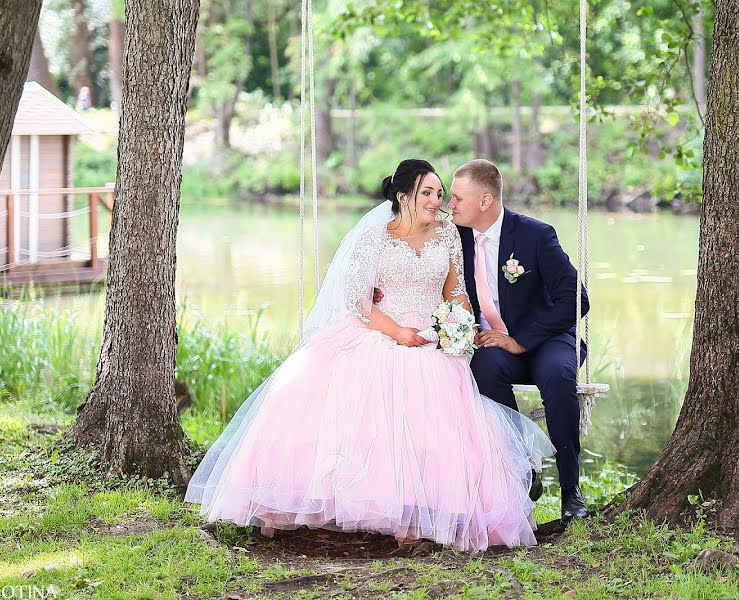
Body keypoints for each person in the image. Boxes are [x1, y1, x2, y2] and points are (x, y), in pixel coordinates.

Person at [185, 159, 554, 552]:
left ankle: (418, 510)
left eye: (440, 194)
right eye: (427, 192)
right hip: (381, 330)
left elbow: (456, 291)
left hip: (430, 338)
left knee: (437, 399)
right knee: (349, 397)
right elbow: (358, 301)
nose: (436, 201)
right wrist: (397, 332)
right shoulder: (374, 238)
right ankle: (312, 502)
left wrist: (457, 324)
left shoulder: (447, 236)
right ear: (403, 196)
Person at [449, 159, 593, 525]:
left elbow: (578, 300)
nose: (450, 205)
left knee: (559, 377)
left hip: (548, 339)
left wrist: (521, 340)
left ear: (484, 201)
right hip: (496, 344)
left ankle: (571, 489)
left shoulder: (535, 235)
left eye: (457, 198)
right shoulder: (454, 238)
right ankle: (524, 468)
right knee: (483, 367)